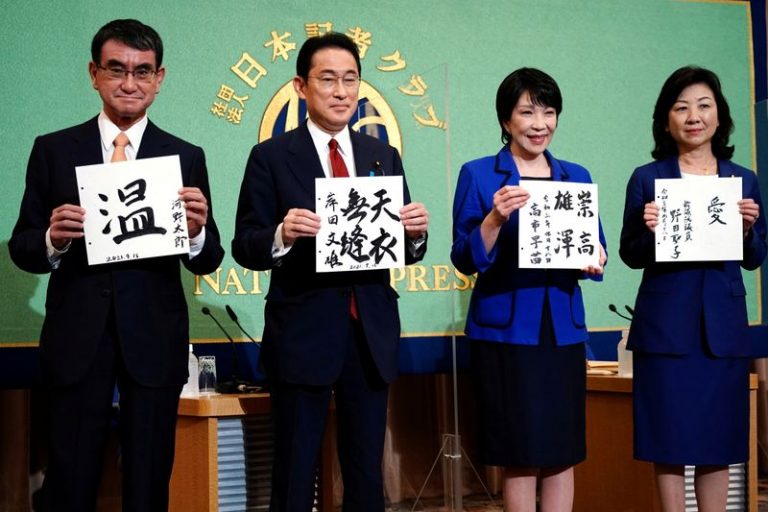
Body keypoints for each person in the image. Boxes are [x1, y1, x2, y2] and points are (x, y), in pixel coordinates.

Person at [8, 19, 224, 512]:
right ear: (94, 74)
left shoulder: (185, 156)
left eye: (142, 71)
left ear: (159, 79)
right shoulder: (53, 149)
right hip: (76, 339)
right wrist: (52, 239)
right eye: (116, 69)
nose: (130, 82)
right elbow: (22, 247)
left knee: (149, 480)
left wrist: (196, 233)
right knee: (70, 481)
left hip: (155, 340)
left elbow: (210, 258)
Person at [231, 32, 429, 512]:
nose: (341, 92)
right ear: (301, 86)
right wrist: (282, 233)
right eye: (328, 80)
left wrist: (416, 234)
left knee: (365, 472)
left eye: (350, 80)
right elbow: (245, 244)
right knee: (295, 470)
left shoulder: (382, 155)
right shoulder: (271, 156)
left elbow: (403, 247)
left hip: (369, 333)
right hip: (303, 332)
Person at [451, 68, 606, 512]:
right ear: (506, 120)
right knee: (518, 451)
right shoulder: (480, 175)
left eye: (549, 112)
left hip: (561, 329)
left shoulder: (575, 176)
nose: (540, 124)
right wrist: (494, 219)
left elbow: (596, 247)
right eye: (527, 113)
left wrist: (596, 256)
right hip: (506, 331)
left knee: (562, 450)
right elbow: (464, 257)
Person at [619, 66, 766, 512]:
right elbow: (630, 253)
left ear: (720, 116)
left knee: (718, 442)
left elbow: (755, 257)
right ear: (666, 121)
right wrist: (649, 231)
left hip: (722, 330)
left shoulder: (742, 180)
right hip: (665, 330)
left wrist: (746, 230)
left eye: (704, 106)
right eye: (681, 108)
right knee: (667, 440)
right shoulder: (647, 178)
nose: (694, 116)